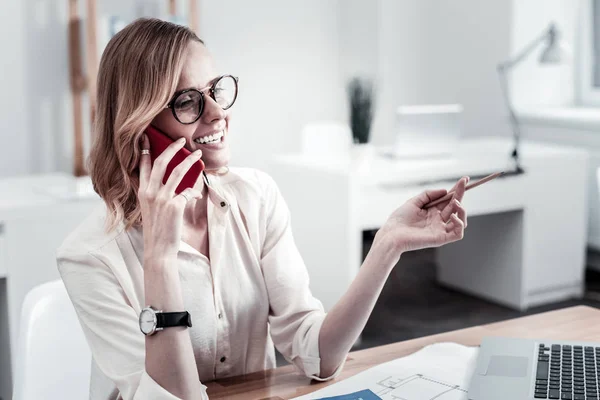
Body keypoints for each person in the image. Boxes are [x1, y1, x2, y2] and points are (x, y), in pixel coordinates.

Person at [57, 18, 468, 400]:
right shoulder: (88, 257)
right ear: (140, 129)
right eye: (187, 101)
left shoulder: (256, 196)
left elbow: (318, 356)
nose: (218, 113)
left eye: (215, 90)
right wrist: (160, 261)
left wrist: (386, 247)